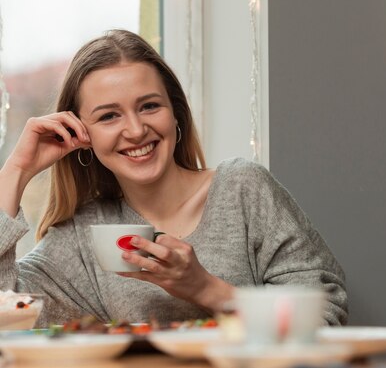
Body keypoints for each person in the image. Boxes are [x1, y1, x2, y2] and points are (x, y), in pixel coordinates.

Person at [0, 29, 348, 327]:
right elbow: (10, 315)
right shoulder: (81, 236)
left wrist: (205, 289)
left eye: (150, 106)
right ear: (80, 133)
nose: (136, 130)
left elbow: (326, 313)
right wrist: (16, 171)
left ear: (175, 114)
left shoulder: (243, 190)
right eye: (109, 116)